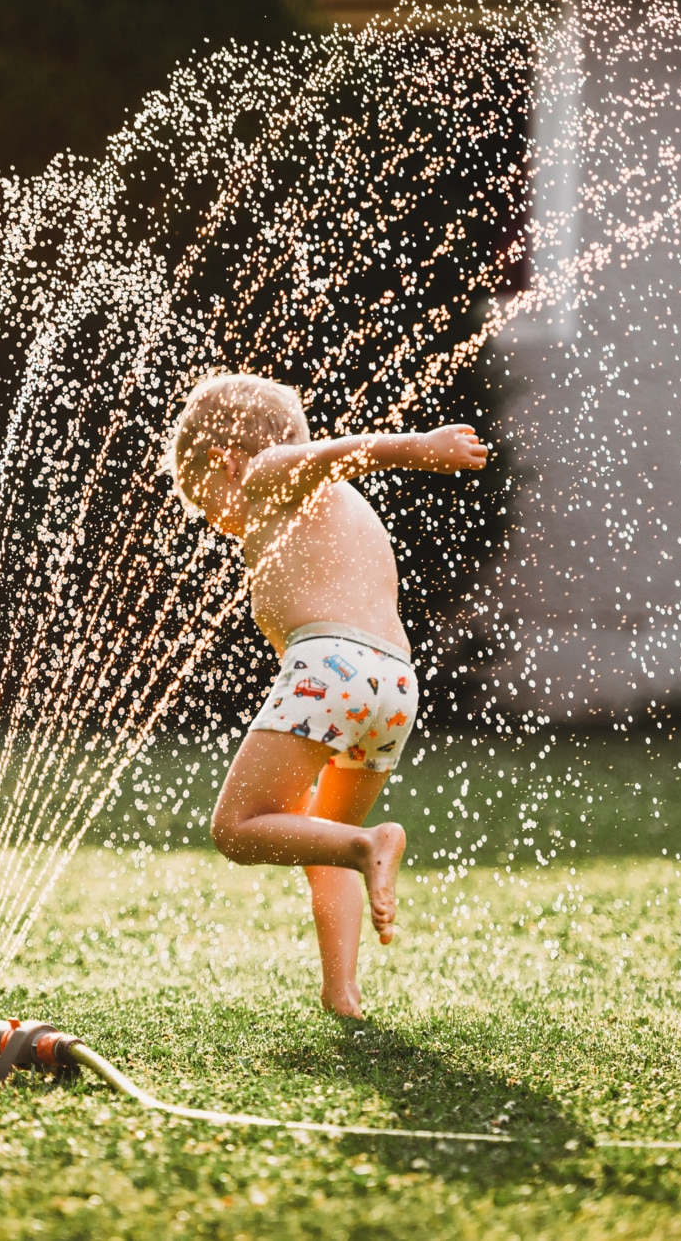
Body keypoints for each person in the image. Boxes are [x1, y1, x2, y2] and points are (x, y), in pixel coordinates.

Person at [160, 373, 490, 1016]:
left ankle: (371, 845)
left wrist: (416, 446)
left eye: (210, 502)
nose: (222, 523)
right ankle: (342, 994)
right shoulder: (344, 506)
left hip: (332, 667)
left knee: (238, 829)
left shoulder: (265, 472)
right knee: (324, 838)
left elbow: (322, 454)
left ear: (227, 461)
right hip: (394, 685)